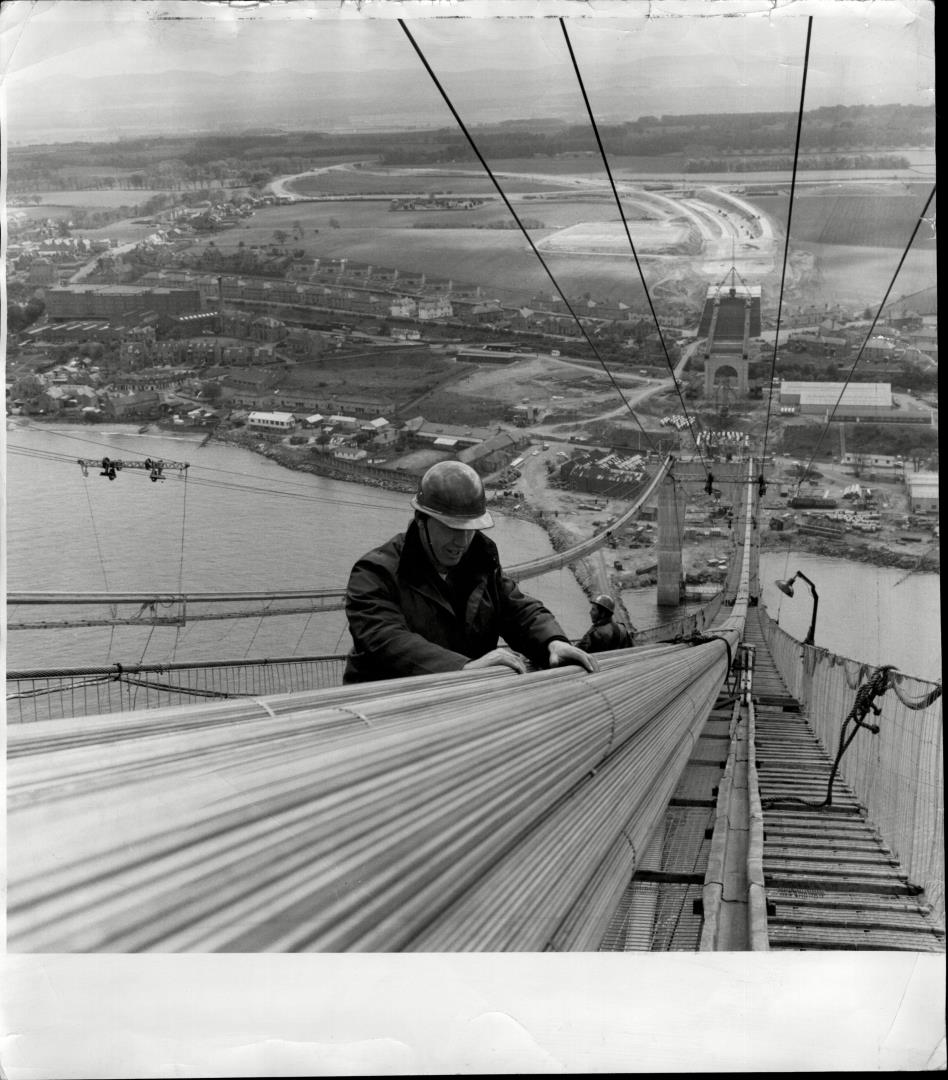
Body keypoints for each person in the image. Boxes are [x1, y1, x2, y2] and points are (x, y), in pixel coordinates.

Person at [343, 460, 599, 683]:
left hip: (461, 701)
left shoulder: (480, 563)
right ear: (421, 521)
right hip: (385, 711)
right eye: (451, 528)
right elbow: (388, 641)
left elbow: (517, 610)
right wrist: (462, 668)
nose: (462, 542)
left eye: (470, 529)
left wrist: (552, 642)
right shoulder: (374, 574)